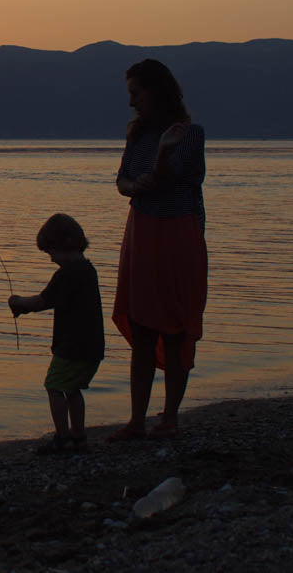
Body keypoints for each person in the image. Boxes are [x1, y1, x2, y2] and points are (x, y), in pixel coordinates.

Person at [108, 58, 208, 441]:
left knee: (175, 326)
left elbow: (183, 180)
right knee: (143, 325)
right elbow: (123, 180)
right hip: (143, 232)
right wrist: (135, 186)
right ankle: (136, 420)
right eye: (130, 93)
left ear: (156, 90)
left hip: (178, 234)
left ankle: (169, 417)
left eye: (136, 93)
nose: (131, 102)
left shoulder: (190, 134)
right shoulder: (137, 134)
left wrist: (162, 157)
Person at [8, 213, 105, 454]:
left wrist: (19, 302)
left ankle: (62, 437)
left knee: (54, 386)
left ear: (64, 245)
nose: (51, 259)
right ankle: (79, 437)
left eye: (51, 252)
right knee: (72, 389)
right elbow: (55, 301)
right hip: (92, 346)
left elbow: (43, 301)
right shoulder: (87, 270)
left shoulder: (68, 273)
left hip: (72, 346)